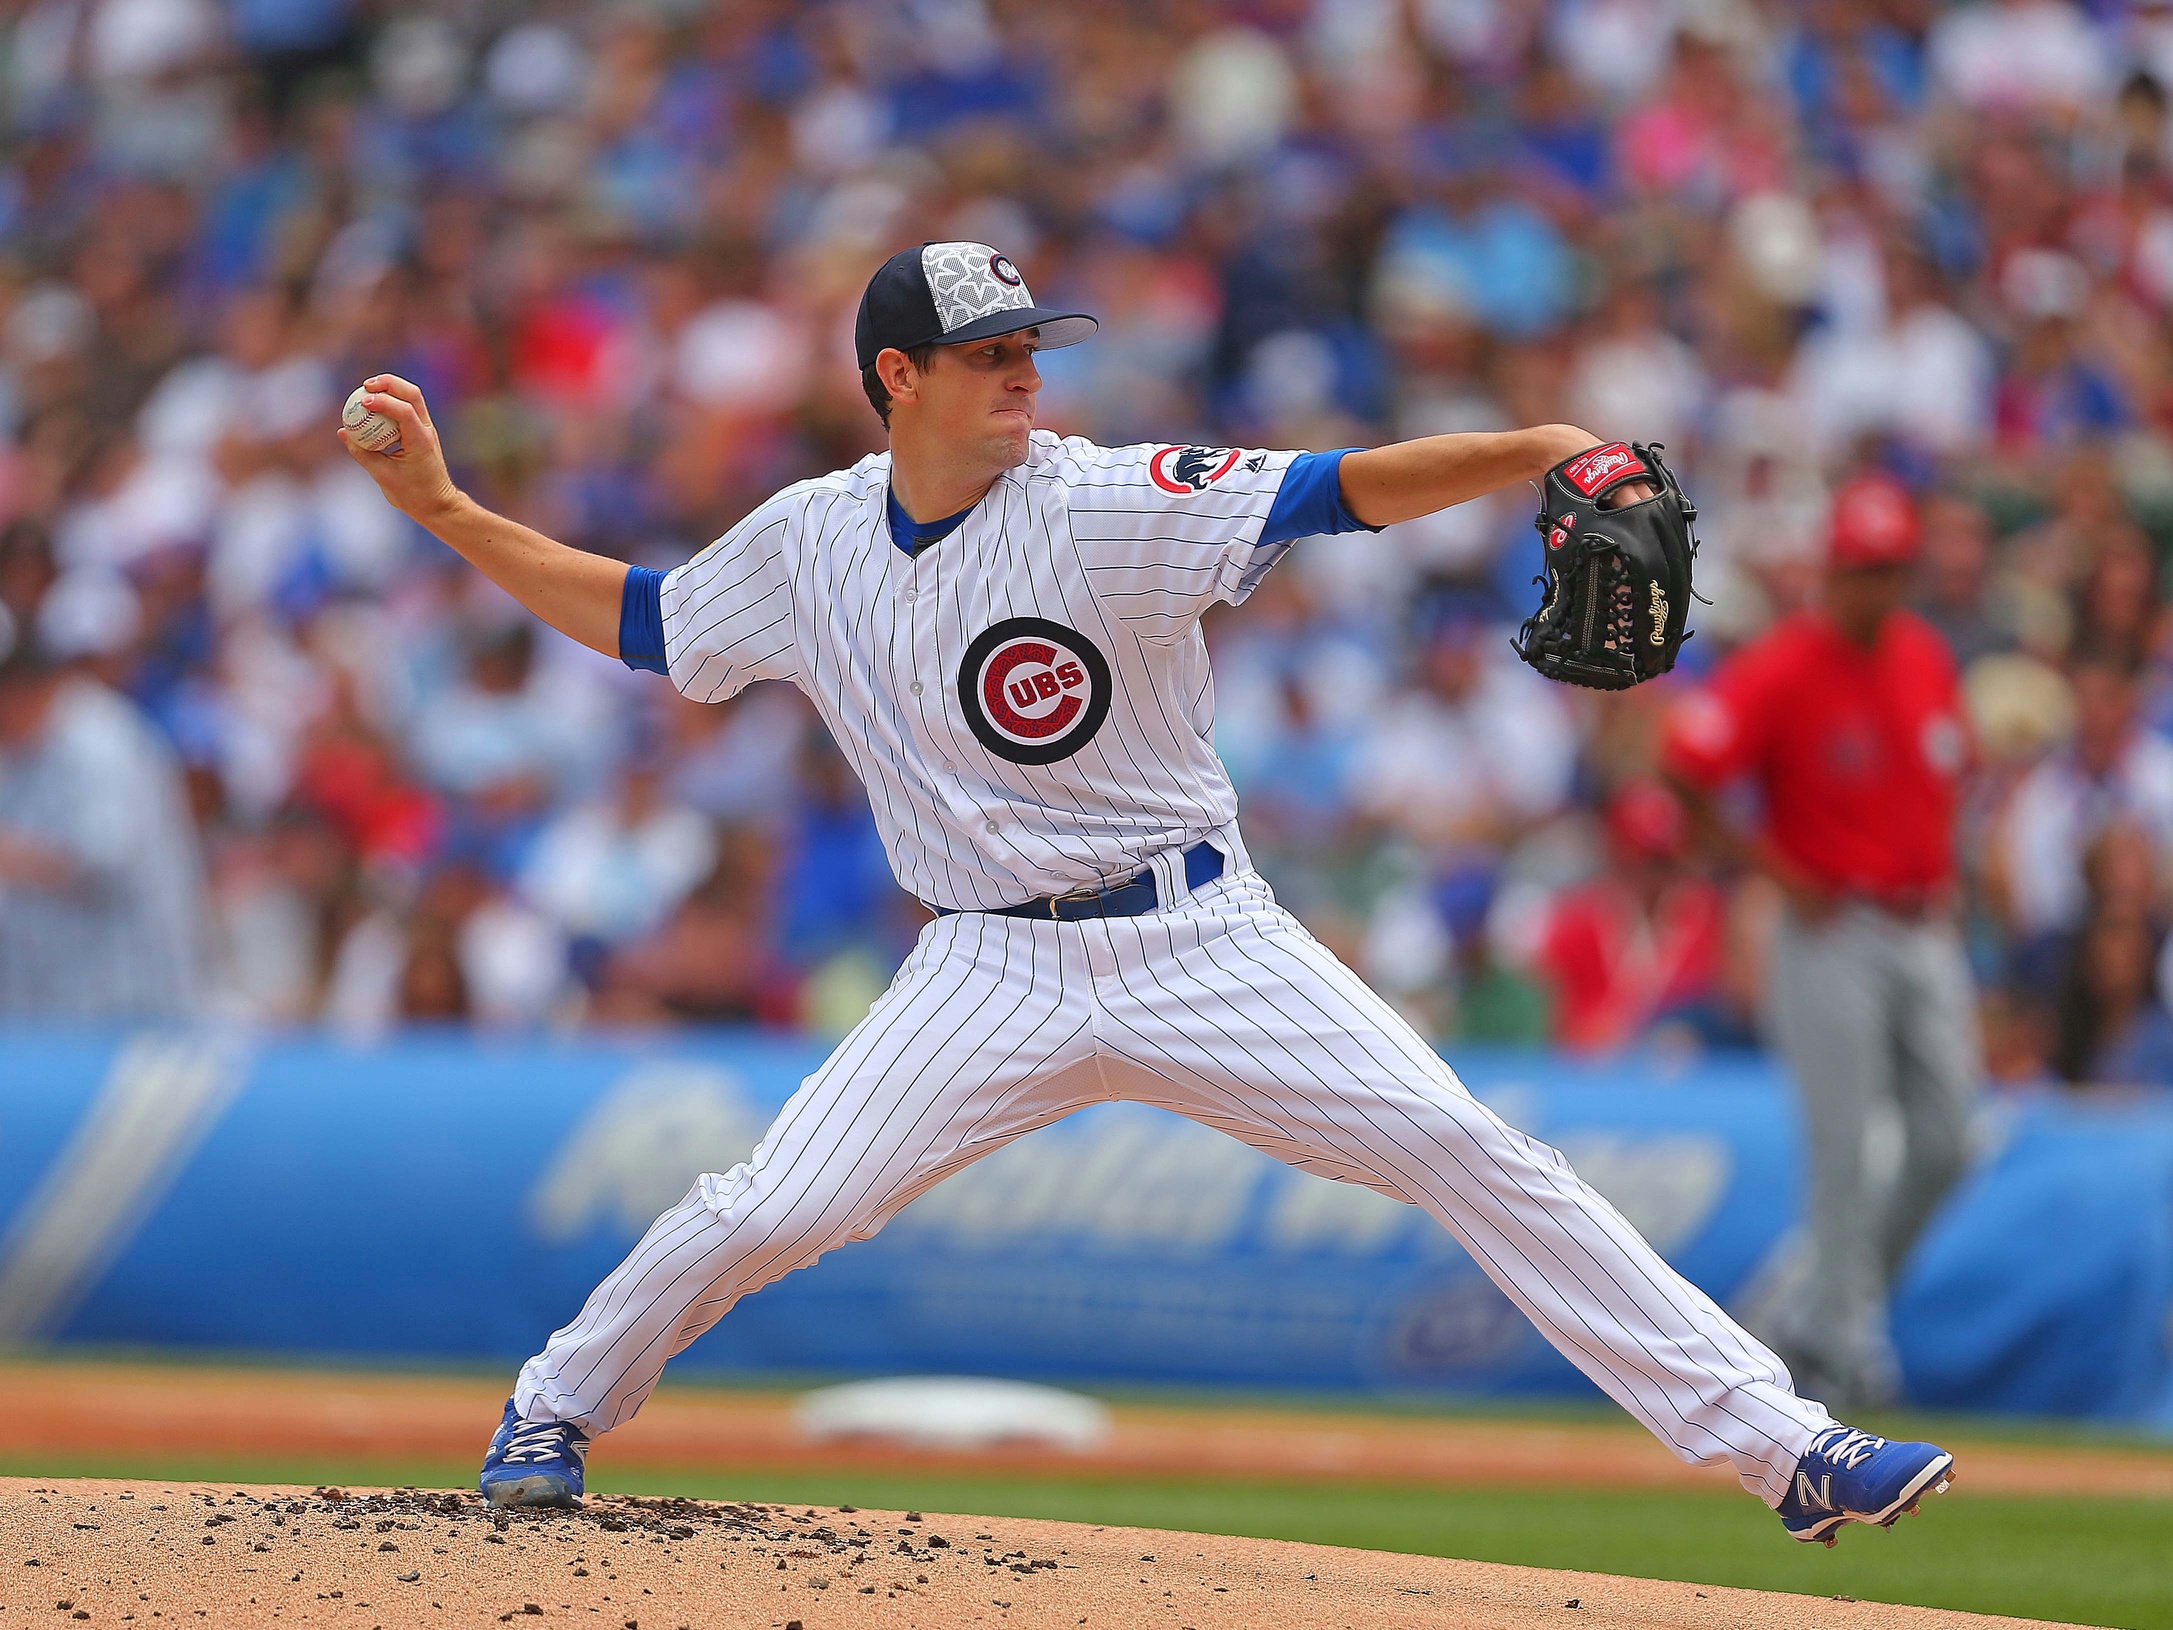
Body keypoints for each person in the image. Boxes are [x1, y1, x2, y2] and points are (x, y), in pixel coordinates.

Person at [342, 241, 1955, 1546]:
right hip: (984, 965)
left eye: (1030, 347)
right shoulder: (809, 539)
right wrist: (445, 511)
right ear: (894, 377)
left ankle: (1786, 1449)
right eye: (989, 355)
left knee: (1474, 1152)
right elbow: (645, 621)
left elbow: (1348, 487)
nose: (1027, 377)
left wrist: (1543, 448)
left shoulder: (1104, 500)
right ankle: (553, 1401)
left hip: (1200, 936)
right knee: (770, 1206)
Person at [1663, 474, 1981, 1411]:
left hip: (1922, 922)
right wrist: (1770, 869)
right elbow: (1682, 766)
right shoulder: (1784, 664)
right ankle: (1847, 1354)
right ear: (1830, 570)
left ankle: (1811, 1309)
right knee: (1842, 1152)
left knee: (1948, 1140)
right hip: (1830, 925)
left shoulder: (1922, 654)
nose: (1874, 588)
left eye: (1889, 570)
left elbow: (1942, 779)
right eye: (1860, 569)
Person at [0, 608, 209, 1021]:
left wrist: (11, 853)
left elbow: (104, 857)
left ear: (23, 688)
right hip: (51, 1008)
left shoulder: (98, 742)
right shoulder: (24, 745)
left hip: (127, 1005)